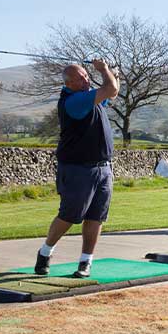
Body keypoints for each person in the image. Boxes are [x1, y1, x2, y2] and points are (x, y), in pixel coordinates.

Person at [35, 59, 119, 278]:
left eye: (86, 75)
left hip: (103, 167)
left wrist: (114, 72)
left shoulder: (88, 96)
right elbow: (110, 89)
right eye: (80, 78)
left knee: (96, 217)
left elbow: (112, 93)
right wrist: (104, 70)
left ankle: (85, 262)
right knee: (70, 215)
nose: (86, 79)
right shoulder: (74, 101)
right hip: (78, 168)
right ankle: (45, 252)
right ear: (69, 84)